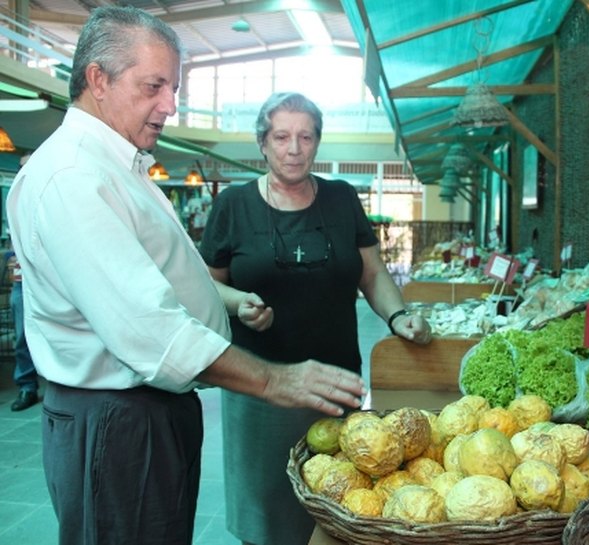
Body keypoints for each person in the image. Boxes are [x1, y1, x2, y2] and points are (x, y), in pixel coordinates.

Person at [7, 7, 365, 545]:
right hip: (118, 417)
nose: (170, 105)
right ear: (97, 79)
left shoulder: (118, 165)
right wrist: (275, 378)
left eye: (173, 88)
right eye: (154, 86)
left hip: (151, 409)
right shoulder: (73, 177)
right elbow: (150, 331)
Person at [198, 91, 432, 545]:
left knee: (338, 501)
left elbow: (371, 272)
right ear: (263, 143)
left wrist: (398, 314)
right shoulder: (234, 204)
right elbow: (206, 282)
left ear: (317, 143)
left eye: (305, 136)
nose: (294, 148)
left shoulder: (342, 199)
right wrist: (238, 301)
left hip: (335, 381)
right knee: (267, 510)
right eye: (282, 136)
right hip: (260, 384)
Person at [7, 241, 38, 412]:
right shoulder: (15, 213)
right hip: (22, 278)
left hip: (49, 276)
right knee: (21, 336)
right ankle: (27, 387)